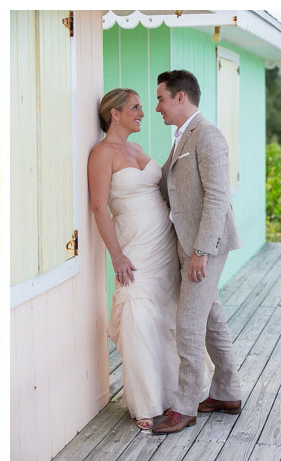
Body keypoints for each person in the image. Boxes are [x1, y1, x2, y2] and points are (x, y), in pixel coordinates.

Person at [152, 70, 243, 434]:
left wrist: (201, 251)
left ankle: (185, 406)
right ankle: (227, 392)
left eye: (160, 98)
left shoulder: (207, 134)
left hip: (206, 244)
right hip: (188, 242)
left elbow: (218, 196)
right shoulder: (180, 137)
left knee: (188, 323)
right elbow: (169, 187)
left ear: (180, 98)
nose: (157, 106)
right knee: (209, 318)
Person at [88, 89, 182, 429]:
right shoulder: (102, 154)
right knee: (138, 316)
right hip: (135, 246)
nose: (143, 112)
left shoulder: (138, 149)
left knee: (166, 316)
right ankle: (146, 402)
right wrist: (117, 255)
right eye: (136, 107)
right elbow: (100, 207)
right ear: (115, 114)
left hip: (165, 245)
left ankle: (173, 394)